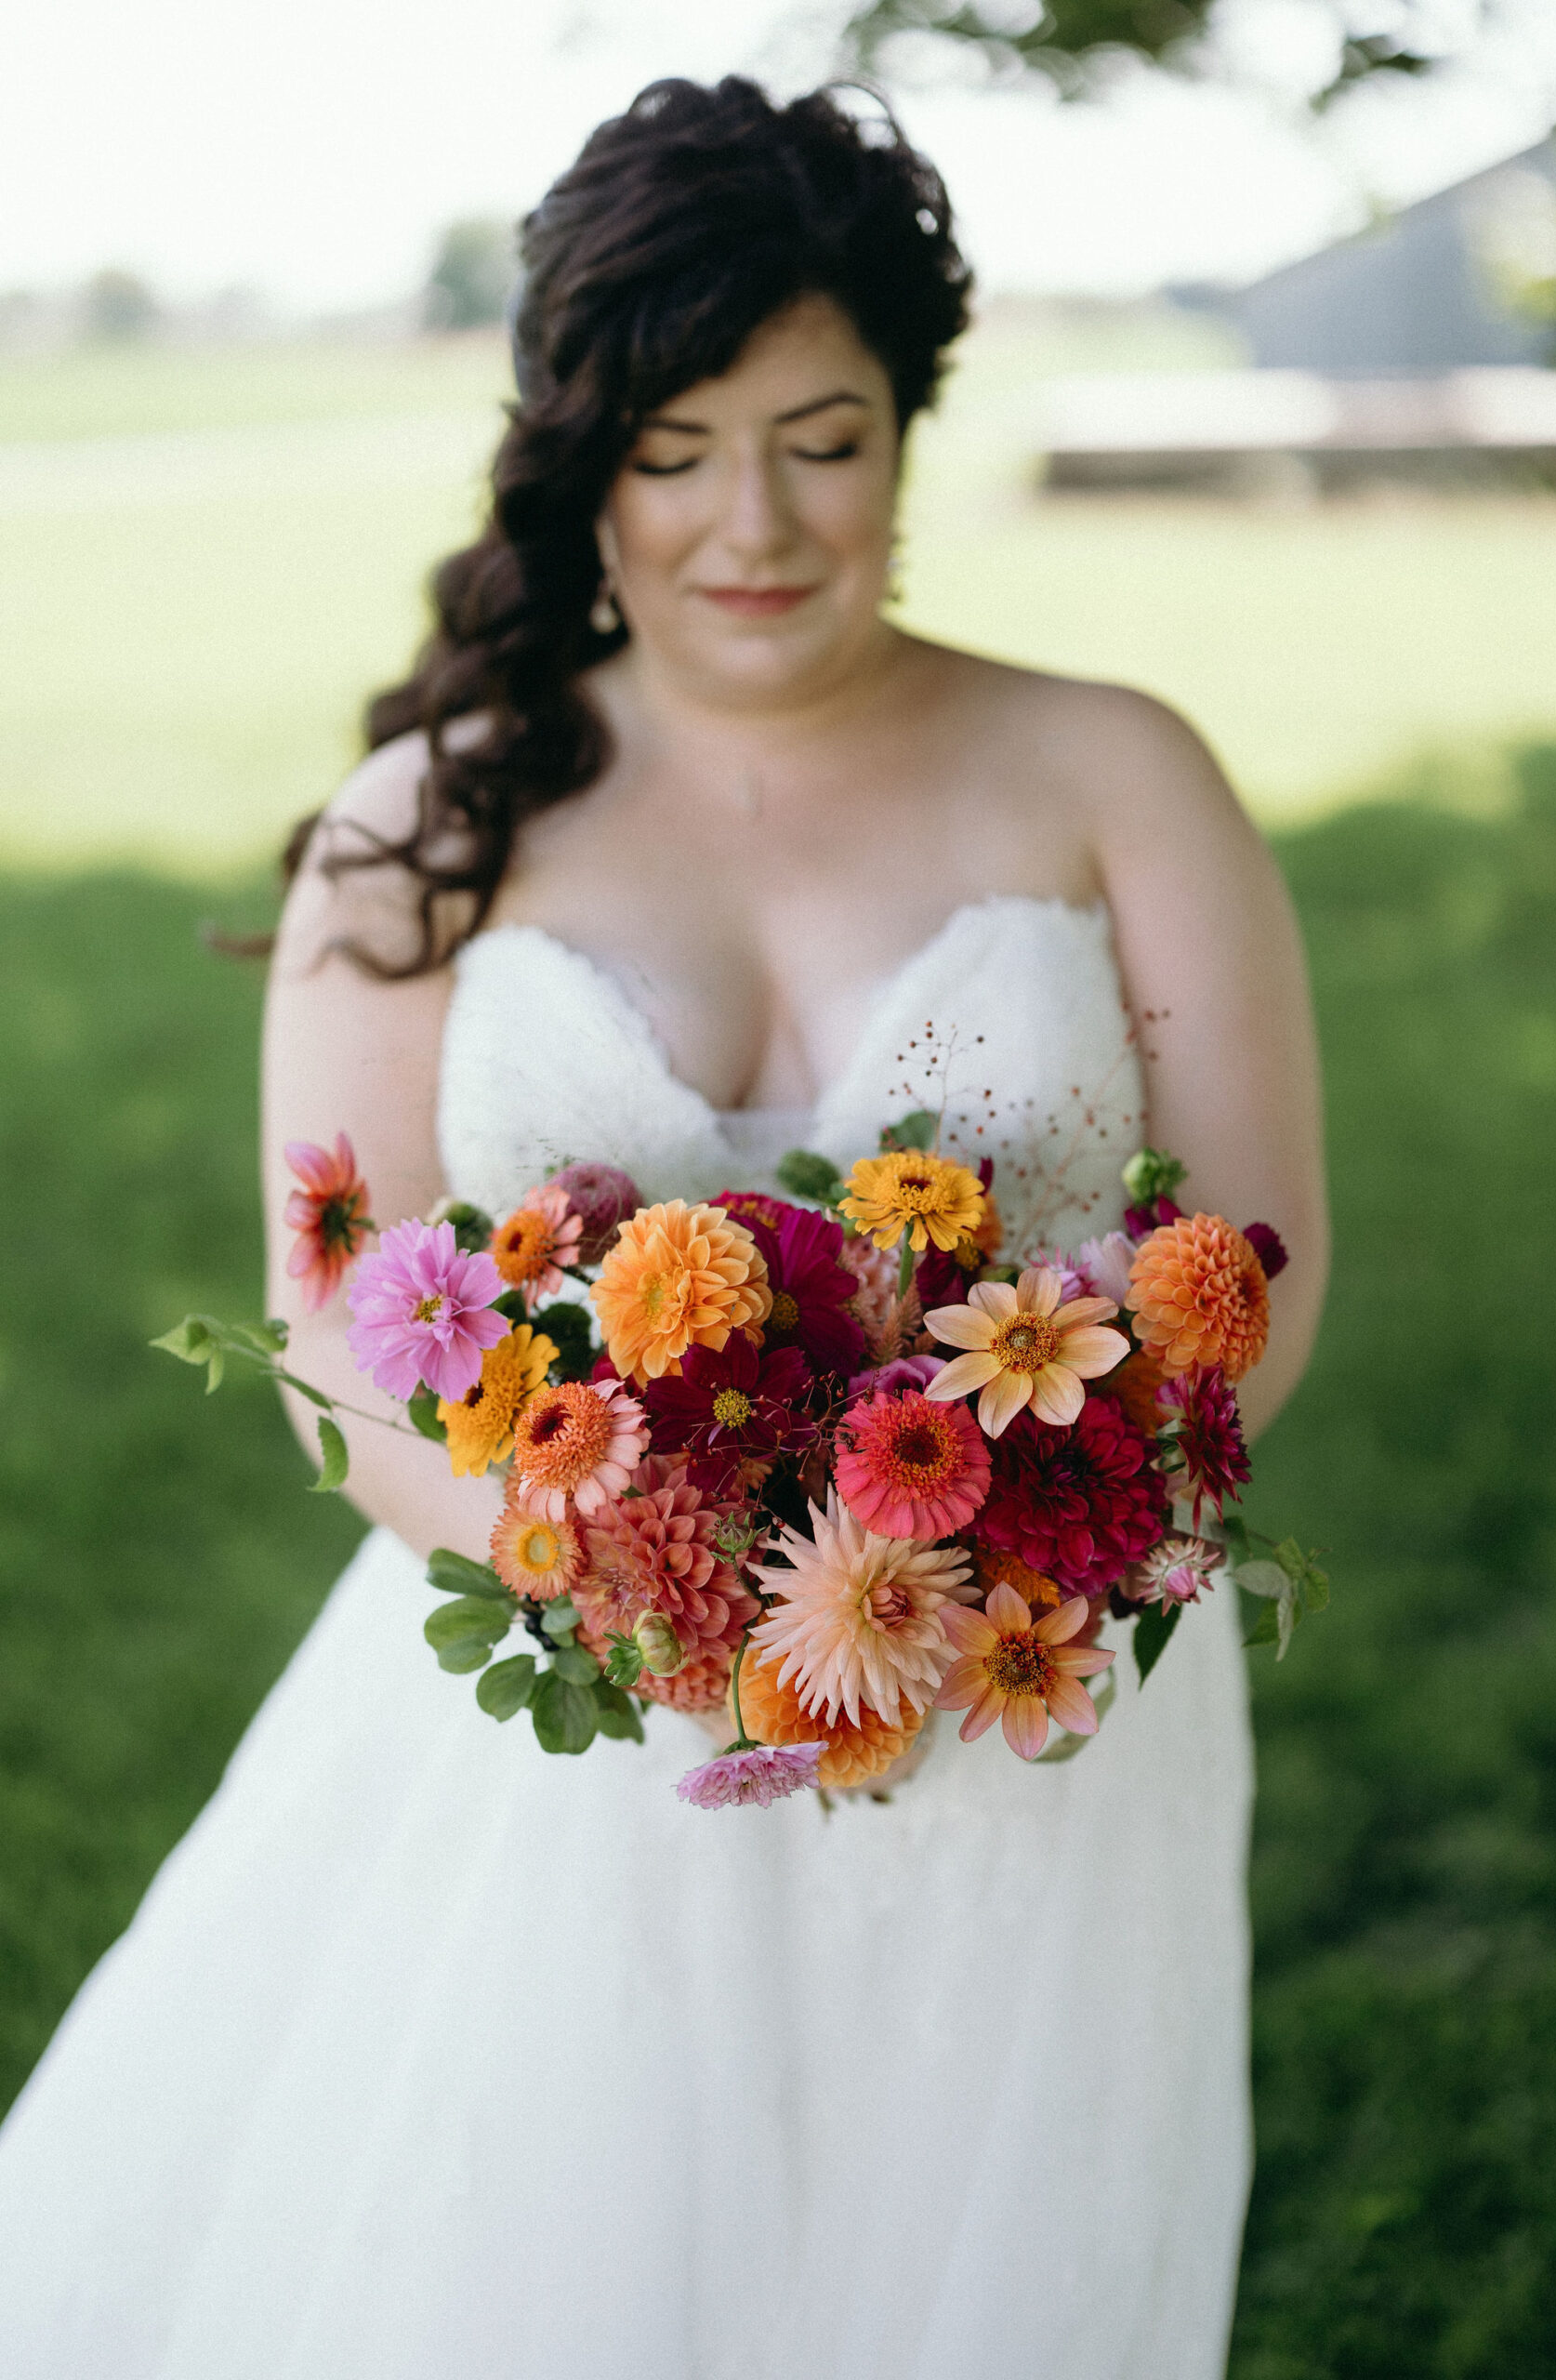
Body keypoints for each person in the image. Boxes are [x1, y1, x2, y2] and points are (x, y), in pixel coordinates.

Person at [0, 76, 1326, 2379]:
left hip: (1028, 1691)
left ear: (906, 433)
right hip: (565, 1698)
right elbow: (341, 1324)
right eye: (679, 440)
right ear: (578, 450)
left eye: (822, 435)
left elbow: (1247, 1264)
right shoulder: (431, 823)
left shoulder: (1117, 774)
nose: (754, 520)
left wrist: (984, 1586)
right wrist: (637, 1603)